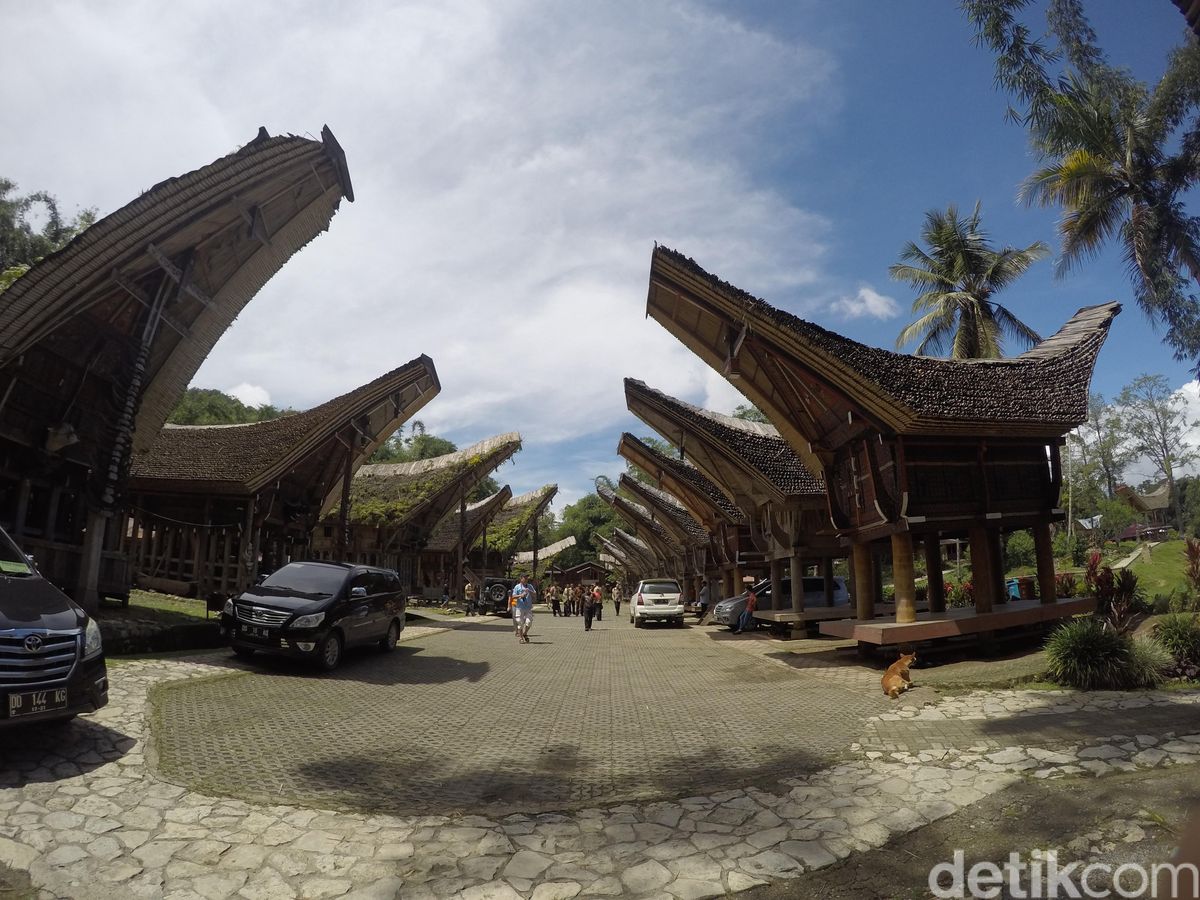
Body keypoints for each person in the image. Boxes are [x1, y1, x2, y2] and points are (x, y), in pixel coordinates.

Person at [510, 575, 536, 643]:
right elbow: (513, 596)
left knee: (529, 622)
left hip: (528, 608)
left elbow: (534, 594)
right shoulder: (517, 587)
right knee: (520, 623)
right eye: (524, 578)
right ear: (521, 579)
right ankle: (521, 638)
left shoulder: (530, 586)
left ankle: (525, 633)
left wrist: (529, 591)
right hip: (520, 607)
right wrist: (520, 595)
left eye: (527, 578)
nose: (526, 579)